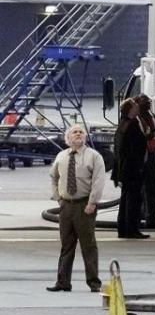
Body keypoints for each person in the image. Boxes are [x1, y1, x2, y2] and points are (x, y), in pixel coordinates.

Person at [48, 125, 107, 292]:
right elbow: (53, 176)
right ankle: (63, 282)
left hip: (84, 205)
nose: (78, 134)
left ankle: (94, 283)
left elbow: (98, 181)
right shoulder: (61, 156)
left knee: (88, 245)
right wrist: (58, 198)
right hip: (66, 205)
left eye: (81, 132)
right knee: (66, 245)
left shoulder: (94, 156)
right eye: (75, 132)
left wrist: (92, 202)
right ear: (68, 138)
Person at [114, 98, 149, 239]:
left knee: (125, 199)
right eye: (135, 106)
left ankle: (122, 228)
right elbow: (136, 148)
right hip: (133, 168)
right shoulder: (133, 126)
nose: (138, 108)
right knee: (134, 200)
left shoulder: (122, 125)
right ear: (130, 109)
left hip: (123, 168)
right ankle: (132, 229)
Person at [135, 94, 155, 229]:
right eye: (145, 101)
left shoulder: (153, 117)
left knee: (152, 188)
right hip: (139, 158)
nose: (148, 104)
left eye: (149, 101)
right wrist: (150, 138)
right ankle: (139, 215)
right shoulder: (135, 120)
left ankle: (152, 216)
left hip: (151, 157)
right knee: (139, 189)